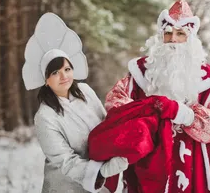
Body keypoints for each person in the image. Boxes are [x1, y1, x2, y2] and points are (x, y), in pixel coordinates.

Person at [104, 0, 210, 193]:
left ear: (190, 39)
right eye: (168, 33)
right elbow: (115, 103)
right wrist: (146, 117)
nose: (173, 39)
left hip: (190, 165)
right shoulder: (141, 72)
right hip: (146, 162)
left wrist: (187, 116)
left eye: (181, 34)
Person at [22, 13, 129, 193]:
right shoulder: (45, 117)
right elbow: (65, 161)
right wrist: (102, 171)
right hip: (65, 187)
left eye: (67, 69)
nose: (64, 76)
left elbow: (105, 126)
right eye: (55, 72)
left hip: (99, 186)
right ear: (46, 79)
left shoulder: (86, 92)